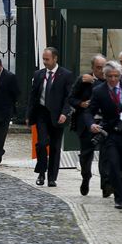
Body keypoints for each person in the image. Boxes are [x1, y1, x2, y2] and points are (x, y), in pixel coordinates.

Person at [85, 61, 122, 209]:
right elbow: (89, 112)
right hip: (110, 132)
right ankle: (119, 198)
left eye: (116, 76)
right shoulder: (99, 91)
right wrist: (91, 124)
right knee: (112, 164)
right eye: (110, 76)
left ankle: (121, 183)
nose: (113, 79)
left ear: (120, 75)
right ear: (105, 76)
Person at [26, 47, 74, 187]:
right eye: (43, 59)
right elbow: (33, 96)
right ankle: (41, 172)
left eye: (47, 59)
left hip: (58, 115)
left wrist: (65, 113)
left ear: (55, 58)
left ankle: (52, 177)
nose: (45, 62)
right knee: (41, 144)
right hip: (42, 113)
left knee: (54, 147)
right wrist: (29, 115)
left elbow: (68, 97)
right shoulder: (39, 74)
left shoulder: (66, 75)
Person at [68, 54, 108, 196]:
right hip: (85, 123)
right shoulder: (83, 80)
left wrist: (94, 82)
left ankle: (105, 183)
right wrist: (81, 103)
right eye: (98, 68)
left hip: (104, 123)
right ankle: (86, 177)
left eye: (103, 67)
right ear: (92, 68)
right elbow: (71, 98)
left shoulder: (110, 80)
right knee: (86, 155)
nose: (101, 71)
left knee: (106, 154)